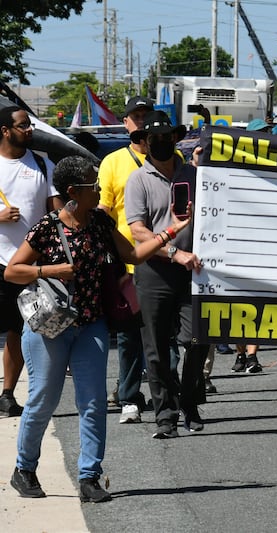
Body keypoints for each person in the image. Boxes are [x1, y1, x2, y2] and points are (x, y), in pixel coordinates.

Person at [6, 155, 191, 501]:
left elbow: (134, 255)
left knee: (93, 403)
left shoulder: (102, 223)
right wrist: (50, 270)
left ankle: (90, 476)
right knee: (43, 399)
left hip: (91, 325)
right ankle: (25, 468)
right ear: (74, 191)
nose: (100, 188)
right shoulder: (47, 228)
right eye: (94, 184)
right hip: (50, 327)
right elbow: (12, 271)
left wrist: (171, 231)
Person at [125, 110, 209, 439]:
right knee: (156, 348)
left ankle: (188, 401)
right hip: (155, 271)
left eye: (166, 137)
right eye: (153, 139)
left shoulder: (194, 174)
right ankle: (165, 414)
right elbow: (138, 232)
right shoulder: (139, 179)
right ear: (144, 143)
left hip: (194, 272)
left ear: (175, 139)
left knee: (197, 338)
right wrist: (175, 252)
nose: (160, 143)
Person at [0, 106, 61, 417]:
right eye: (23, 126)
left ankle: (8, 393)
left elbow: (56, 210)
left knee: (22, 329)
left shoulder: (41, 163)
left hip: (31, 263)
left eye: (29, 125)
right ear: (5, 131)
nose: (29, 130)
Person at [97, 95, 154, 424]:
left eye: (147, 115)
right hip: (128, 264)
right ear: (126, 123)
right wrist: (110, 263)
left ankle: (167, 394)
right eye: (136, 117)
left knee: (165, 336)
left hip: (165, 260)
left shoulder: (172, 157)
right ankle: (129, 396)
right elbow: (104, 212)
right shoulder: (113, 162)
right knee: (130, 336)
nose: (142, 121)